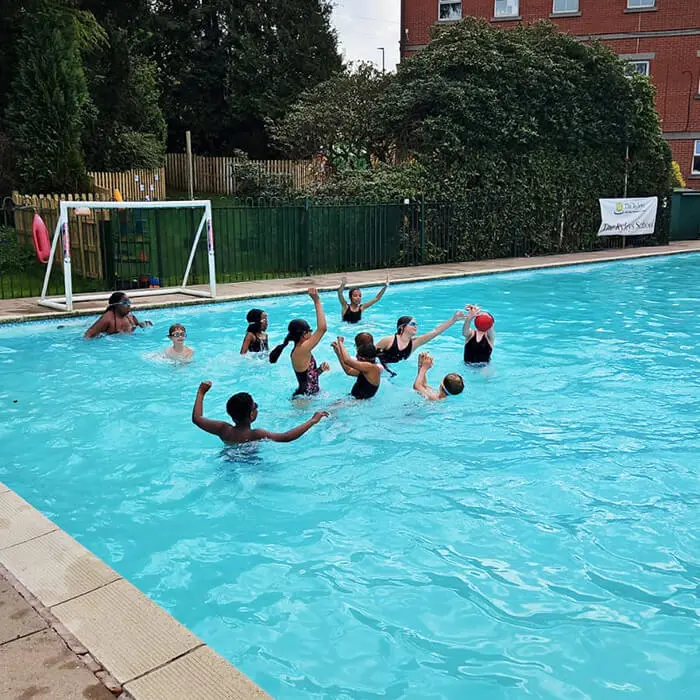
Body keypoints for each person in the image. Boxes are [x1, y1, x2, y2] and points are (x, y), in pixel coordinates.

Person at [192, 381, 328, 444]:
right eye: (255, 406)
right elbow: (286, 437)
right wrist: (312, 421)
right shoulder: (256, 434)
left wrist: (201, 392)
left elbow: (197, 418)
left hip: (229, 460)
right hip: (252, 463)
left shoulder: (223, 429)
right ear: (252, 415)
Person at [269, 288, 330, 397]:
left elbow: (307, 376)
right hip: (303, 399)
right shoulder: (301, 349)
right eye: (310, 330)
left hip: (308, 396)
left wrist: (320, 370)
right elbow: (322, 328)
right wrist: (317, 300)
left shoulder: (302, 349)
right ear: (304, 334)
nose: (312, 333)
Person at [375, 310, 466, 365]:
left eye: (416, 324)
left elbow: (436, 331)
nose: (416, 326)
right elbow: (368, 352)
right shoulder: (388, 340)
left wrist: (453, 320)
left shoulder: (414, 343)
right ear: (402, 327)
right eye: (413, 324)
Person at [84, 292, 152, 338]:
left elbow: (137, 326)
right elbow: (88, 334)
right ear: (115, 305)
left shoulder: (131, 317)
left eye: (129, 302)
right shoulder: (107, 319)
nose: (128, 305)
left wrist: (144, 324)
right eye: (125, 303)